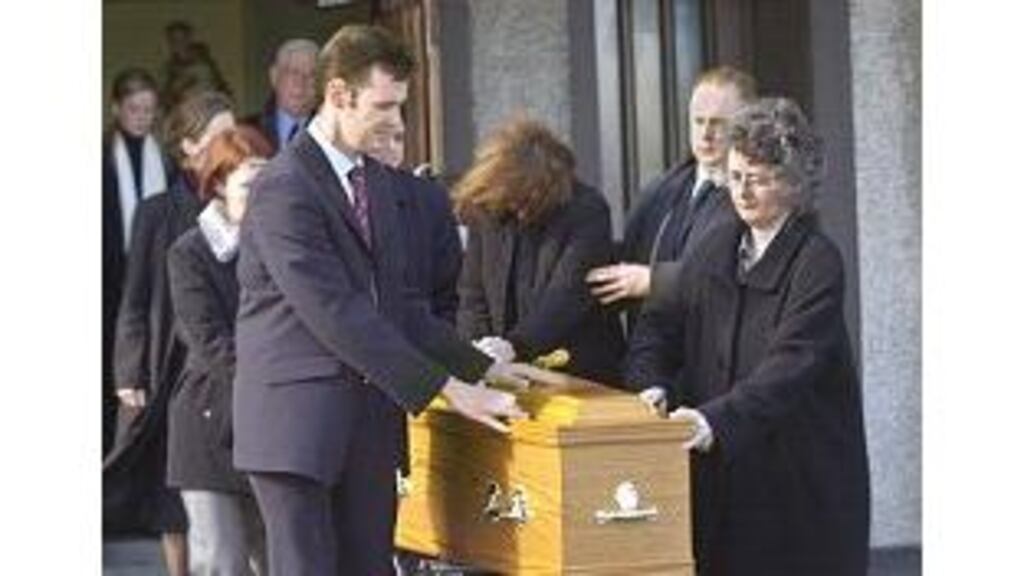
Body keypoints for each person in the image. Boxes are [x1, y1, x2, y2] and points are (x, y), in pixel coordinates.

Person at [232, 24, 529, 575]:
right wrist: (451, 389)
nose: (397, 122)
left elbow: (399, 307)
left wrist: (484, 370)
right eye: (384, 106)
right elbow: (335, 311)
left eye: (401, 106)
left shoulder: (376, 183)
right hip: (295, 434)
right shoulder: (283, 186)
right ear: (339, 95)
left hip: (366, 429)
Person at [625, 97, 870, 575]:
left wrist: (713, 420)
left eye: (758, 179)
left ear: (793, 184)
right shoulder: (716, 242)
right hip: (726, 479)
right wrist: (650, 383)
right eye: (735, 177)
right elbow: (659, 322)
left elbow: (789, 366)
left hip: (798, 478)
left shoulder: (816, 260)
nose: (743, 192)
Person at [104, 90, 236, 576]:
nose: (231, 144)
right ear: (189, 145)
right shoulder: (157, 212)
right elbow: (134, 299)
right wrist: (127, 371)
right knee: (171, 496)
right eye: (219, 135)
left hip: (227, 362)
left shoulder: (245, 197)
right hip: (172, 367)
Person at [166, 126, 272, 576]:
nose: (261, 196)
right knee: (222, 563)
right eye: (250, 185)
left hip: (273, 426)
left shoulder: (283, 247)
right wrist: (273, 379)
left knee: (278, 560)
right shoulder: (190, 252)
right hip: (211, 425)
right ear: (219, 184)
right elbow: (208, 341)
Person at [452, 118, 626, 384]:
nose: (519, 211)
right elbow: (472, 294)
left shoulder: (586, 210)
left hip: (577, 374)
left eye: (525, 200)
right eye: (511, 202)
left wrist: (515, 346)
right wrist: (479, 351)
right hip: (500, 375)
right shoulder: (488, 208)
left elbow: (567, 297)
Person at [586, 67, 756, 319]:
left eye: (719, 123)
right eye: (698, 121)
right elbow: (624, 265)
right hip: (653, 348)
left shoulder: (761, 196)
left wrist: (655, 282)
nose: (706, 134)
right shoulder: (659, 193)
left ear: (747, 125)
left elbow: (738, 275)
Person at [103, 67, 173, 457]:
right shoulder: (100, 159)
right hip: (111, 283)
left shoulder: (165, 158)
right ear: (117, 109)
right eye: (134, 109)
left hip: (154, 284)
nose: (142, 118)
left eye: (149, 110)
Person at [362, 121, 461, 323]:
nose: (390, 149)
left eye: (398, 139)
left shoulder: (430, 200)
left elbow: (450, 291)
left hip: (421, 340)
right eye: (379, 137)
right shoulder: (329, 195)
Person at [243, 38, 319, 154]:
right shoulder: (245, 132)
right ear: (274, 77)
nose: (301, 83)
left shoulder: (333, 136)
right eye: (293, 72)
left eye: (312, 75)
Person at [160, 20, 232, 113]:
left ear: (189, 39)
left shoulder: (203, 66)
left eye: (181, 39)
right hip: (178, 115)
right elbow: (165, 96)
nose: (177, 44)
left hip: (202, 113)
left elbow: (208, 91)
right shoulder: (168, 69)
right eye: (172, 39)